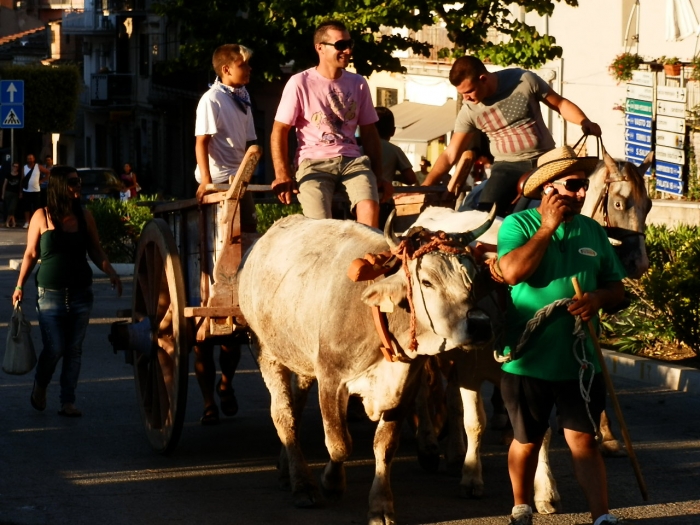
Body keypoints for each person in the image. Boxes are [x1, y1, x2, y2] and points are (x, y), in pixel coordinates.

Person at [495, 146, 626, 525]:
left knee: (585, 440)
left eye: (584, 185)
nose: (582, 193)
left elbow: (616, 287)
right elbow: (512, 273)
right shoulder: (516, 226)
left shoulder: (592, 231)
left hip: (580, 361)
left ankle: (602, 517)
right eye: (573, 185)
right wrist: (547, 227)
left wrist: (598, 298)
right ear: (548, 189)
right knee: (527, 441)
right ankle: (521, 506)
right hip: (527, 359)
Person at [421, 56, 602, 217]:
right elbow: (450, 154)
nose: (465, 98)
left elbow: (560, 103)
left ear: (483, 79)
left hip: (546, 160)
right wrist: (425, 187)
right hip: (507, 166)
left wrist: (584, 121)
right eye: (462, 94)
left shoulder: (523, 80)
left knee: (576, 197)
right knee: (484, 215)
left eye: (469, 92)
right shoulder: (468, 112)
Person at [12, 165, 122, 417]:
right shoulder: (42, 216)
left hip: (81, 294)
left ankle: (67, 401)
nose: (78, 186)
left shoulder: (85, 216)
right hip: (49, 294)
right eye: (73, 182)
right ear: (61, 185)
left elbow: (95, 250)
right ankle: (40, 385)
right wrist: (19, 286)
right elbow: (30, 253)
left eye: (79, 181)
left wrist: (111, 272)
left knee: (74, 349)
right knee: (56, 347)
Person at [270, 20, 390, 228]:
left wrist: (379, 176)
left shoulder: (358, 83)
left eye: (350, 44)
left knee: (370, 208)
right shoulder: (300, 82)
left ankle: (368, 259)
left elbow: (369, 132)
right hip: (314, 162)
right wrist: (282, 174)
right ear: (320, 48)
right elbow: (279, 130)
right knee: (321, 224)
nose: (348, 50)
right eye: (341, 45)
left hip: (352, 160)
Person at [192, 43, 256, 425]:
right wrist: (204, 181)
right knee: (220, 243)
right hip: (218, 181)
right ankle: (207, 402)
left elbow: (248, 144)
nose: (248, 72)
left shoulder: (243, 98)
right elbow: (202, 141)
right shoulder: (211, 99)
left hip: (240, 180)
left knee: (246, 241)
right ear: (226, 69)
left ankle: (244, 287)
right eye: (243, 67)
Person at [374, 106, 417, 186]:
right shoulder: (394, 150)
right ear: (393, 131)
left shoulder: (355, 148)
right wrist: (393, 176)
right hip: (382, 196)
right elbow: (411, 178)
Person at [22, 154, 50, 228]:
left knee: (36, 208)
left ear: (34, 159)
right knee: (26, 207)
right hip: (26, 190)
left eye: (31, 158)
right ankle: (27, 222)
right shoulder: (24, 167)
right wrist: (20, 191)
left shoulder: (38, 166)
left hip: (36, 190)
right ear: (26, 159)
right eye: (28, 158)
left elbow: (48, 172)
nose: (30, 160)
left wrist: (42, 181)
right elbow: (22, 179)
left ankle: (36, 221)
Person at [2, 161, 21, 227]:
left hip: (15, 194)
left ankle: (7, 222)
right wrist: (3, 194)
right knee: (9, 209)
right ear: (12, 167)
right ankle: (13, 222)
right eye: (14, 166)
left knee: (12, 208)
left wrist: (20, 193)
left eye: (16, 166)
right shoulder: (8, 174)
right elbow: (5, 184)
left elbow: (20, 185)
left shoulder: (19, 175)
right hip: (8, 193)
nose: (15, 168)